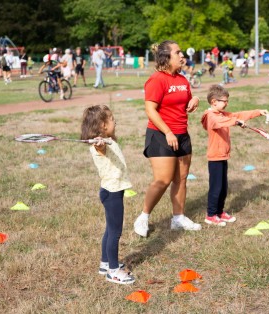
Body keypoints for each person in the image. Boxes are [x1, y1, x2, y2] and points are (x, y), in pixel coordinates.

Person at [133, 40, 201, 238]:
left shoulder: (182, 79)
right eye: (178, 52)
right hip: (161, 135)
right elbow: (150, 110)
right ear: (166, 57)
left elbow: (185, 99)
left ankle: (178, 218)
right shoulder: (156, 80)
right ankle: (143, 216)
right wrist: (168, 132)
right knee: (162, 180)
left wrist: (194, 99)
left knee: (181, 178)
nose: (182, 56)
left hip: (182, 134)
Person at [81, 104, 135, 285]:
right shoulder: (100, 144)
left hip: (111, 190)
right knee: (115, 232)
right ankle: (113, 271)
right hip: (111, 193)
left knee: (110, 229)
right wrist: (99, 144)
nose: (115, 121)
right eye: (111, 119)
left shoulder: (109, 140)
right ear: (103, 125)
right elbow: (100, 149)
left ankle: (105, 262)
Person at [201, 85, 269, 226]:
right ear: (214, 101)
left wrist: (258, 112)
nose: (226, 104)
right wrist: (236, 122)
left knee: (223, 187)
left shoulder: (222, 114)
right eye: (224, 101)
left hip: (223, 155)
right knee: (216, 187)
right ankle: (211, 215)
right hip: (215, 157)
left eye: (227, 101)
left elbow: (238, 115)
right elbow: (219, 123)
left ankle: (219, 212)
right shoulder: (210, 116)